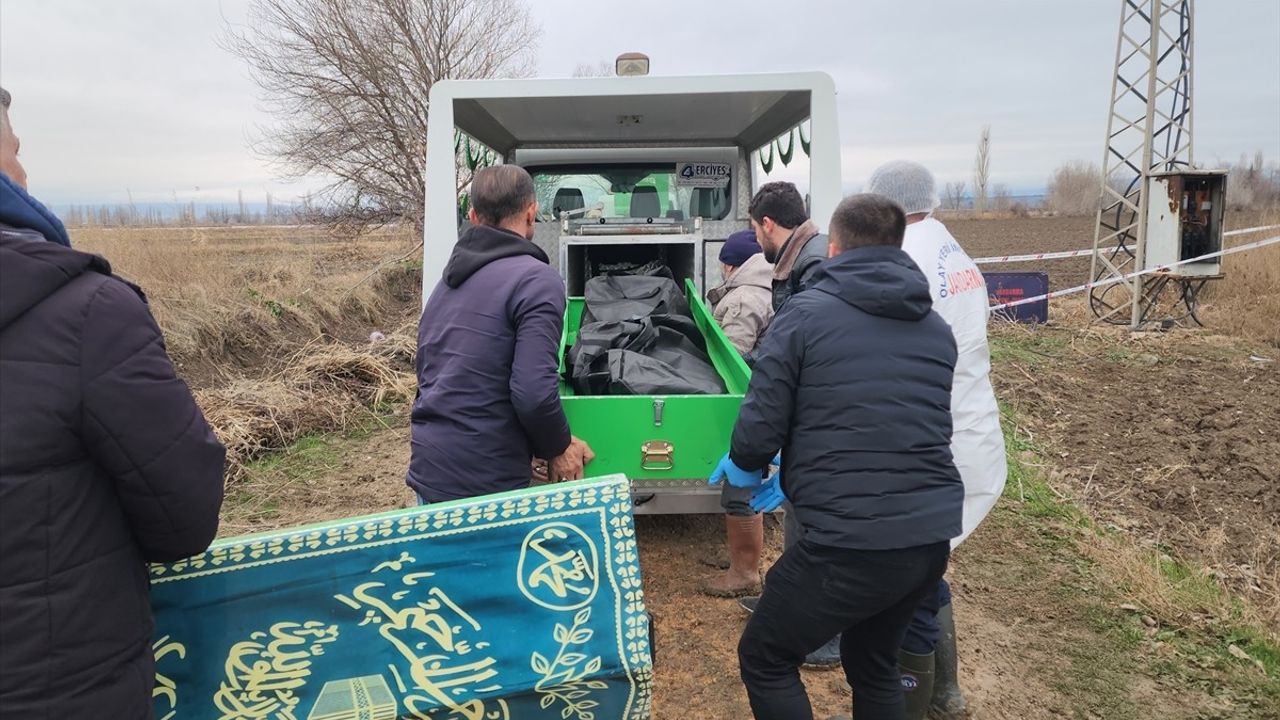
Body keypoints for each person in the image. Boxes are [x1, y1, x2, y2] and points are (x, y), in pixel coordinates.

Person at [0, 86, 227, 716]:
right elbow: (185, 516)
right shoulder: (88, 312)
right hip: (64, 688)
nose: (24, 170)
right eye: (14, 152)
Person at [711, 193, 963, 720]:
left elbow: (764, 415)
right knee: (873, 662)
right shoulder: (936, 329)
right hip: (927, 539)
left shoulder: (805, 314)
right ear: (897, 246)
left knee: (766, 655)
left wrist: (746, 463)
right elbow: (890, 420)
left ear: (835, 245)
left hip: (851, 540)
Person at [868, 160, 1007, 720]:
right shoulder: (949, 249)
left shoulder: (906, 257)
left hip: (930, 439)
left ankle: (913, 704)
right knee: (926, 569)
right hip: (969, 427)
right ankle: (945, 695)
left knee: (908, 580)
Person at [408, 165, 593, 504]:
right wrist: (558, 447)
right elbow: (533, 394)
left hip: (430, 464)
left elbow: (432, 369)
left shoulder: (447, 282)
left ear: (474, 216)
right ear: (532, 212)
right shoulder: (537, 280)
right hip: (484, 479)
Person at [740, 180, 843, 667]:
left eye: (754, 229)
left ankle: (821, 638)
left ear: (767, 224)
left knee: (818, 530)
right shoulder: (802, 260)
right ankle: (788, 606)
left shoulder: (815, 266)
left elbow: (808, 350)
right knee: (797, 521)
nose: (755, 240)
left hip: (826, 416)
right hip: (811, 414)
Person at [700, 229, 775, 597]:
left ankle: (744, 574)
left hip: (752, 403)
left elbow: (732, 358)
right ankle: (738, 558)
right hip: (758, 399)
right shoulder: (759, 289)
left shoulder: (743, 300)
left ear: (729, 265)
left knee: (741, 486)